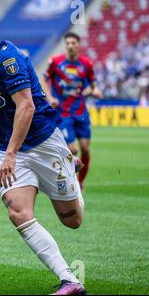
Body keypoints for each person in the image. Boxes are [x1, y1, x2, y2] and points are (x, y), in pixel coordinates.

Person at [0, 8, 86, 295]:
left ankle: (68, 166)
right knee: (17, 211)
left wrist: (11, 154)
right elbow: (1, 115)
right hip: (12, 148)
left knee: (72, 221)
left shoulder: (9, 59)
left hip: (42, 143)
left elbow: (26, 107)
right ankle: (70, 280)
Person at [42, 32, 103, 190]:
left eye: (73, 43)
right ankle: (71, 180)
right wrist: (50, 97)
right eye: (67, 43)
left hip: (81, 112)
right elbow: (43, 78)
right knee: (73, 149)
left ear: (78, 45)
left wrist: (94, 91)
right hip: (63, 113)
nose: (70, 46)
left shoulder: (87, 64)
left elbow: (93, 84)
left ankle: (80, 181)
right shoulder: (55, 62)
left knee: (85, 149)